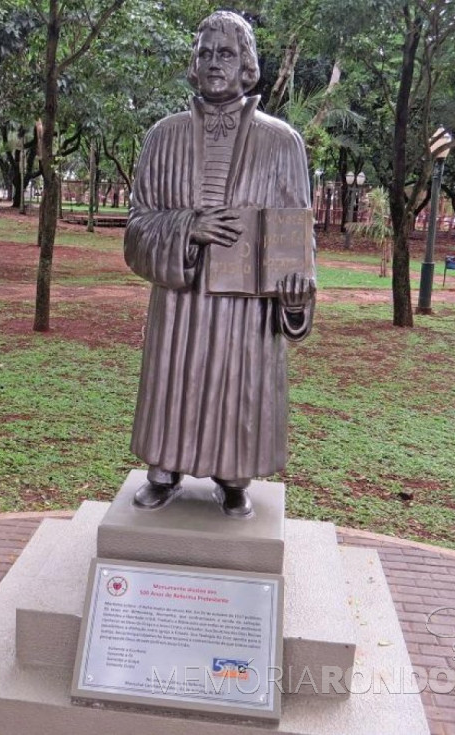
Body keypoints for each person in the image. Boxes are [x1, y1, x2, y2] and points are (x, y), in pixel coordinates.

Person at [124, 10, 316, 519]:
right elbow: (137, 225)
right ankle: (164, 470)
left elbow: (296, 235)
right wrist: (188, 226)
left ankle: (233, 477)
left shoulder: (283, 142)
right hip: (180, 301)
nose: (214, 63)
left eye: (226, 54)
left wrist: (296, 296)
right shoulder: (162, 136)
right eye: (205, 53)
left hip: (245, 309)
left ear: (247, 66)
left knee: (238, 385)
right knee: (173, 376)